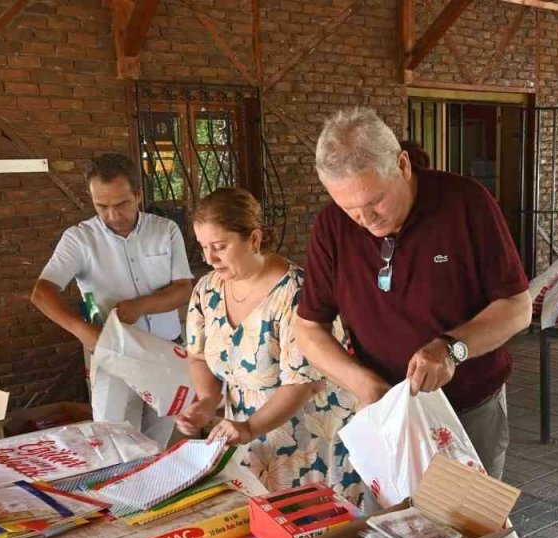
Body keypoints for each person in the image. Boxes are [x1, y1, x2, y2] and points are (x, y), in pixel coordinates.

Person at [295, 107, 531, 479]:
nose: (366, 220)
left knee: (470, 525)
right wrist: (364, 384)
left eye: (375, 202)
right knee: (396, 524)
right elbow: (308, 329)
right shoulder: (332, 226)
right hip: (385, 410)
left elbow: (517, 307)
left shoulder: (465, 203)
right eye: (350, 209)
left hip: (466, 408)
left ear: (402, 165)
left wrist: (452, 348)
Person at [175, 188, 364, 505]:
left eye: (220, 246)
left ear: (254, 239)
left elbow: (303, 384)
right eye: (204, 247)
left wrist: (250, 427)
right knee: (266, 525)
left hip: (308, 435)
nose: (209, 258)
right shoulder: (207, 290)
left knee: (313, 528)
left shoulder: (296, 292)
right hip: (247, 434)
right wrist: (208, 400)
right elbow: (197, 355)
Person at [31, 152, 194, 447]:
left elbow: (184, 288)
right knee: (116, 443)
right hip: (114, 355)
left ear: (138, 195)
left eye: (122, 204)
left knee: (158, 441)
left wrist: (141, 305)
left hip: (166, 353)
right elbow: (42, 293)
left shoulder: (165, 230)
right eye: (101, 206)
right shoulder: (79, 239)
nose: (112, 215)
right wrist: (83, 331)